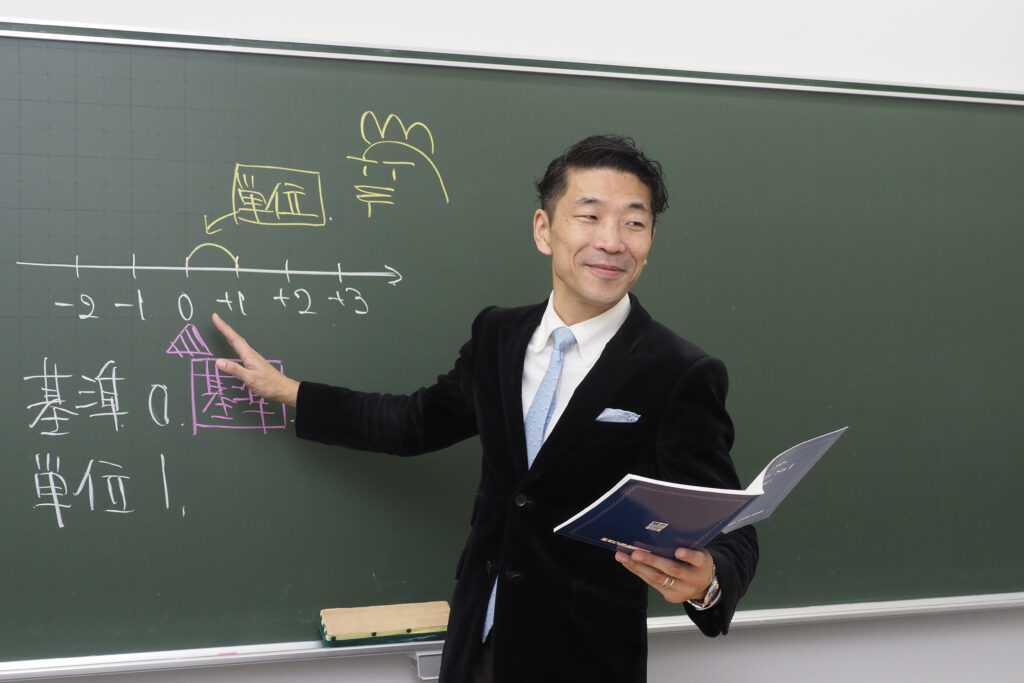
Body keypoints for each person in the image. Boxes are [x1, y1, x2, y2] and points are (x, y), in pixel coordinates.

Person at [212, 134, 758, 682]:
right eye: (589, 216)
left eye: (633, 223)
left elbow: (727, 524)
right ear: (543, 229)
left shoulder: (679, 371)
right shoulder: (498, 335)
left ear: (650, 239)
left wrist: (710, 582)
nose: (612, 241)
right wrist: (290, 392)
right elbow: (412, 424)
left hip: (584, 659)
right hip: (476, 641)